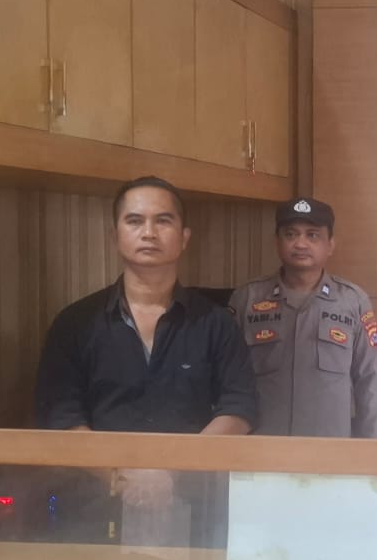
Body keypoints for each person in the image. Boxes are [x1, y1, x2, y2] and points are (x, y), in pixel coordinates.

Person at [34, 176, 256, 532]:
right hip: (96, 510)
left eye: (163, 221)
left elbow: (240, 409)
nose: (149, 233)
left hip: (194, 507)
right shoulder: (75, 323)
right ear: (115, 236)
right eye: (135, 221)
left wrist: (171, 472)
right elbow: (61, 416)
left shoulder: (215, 323)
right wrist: (120, 476)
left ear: (184, 237)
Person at [229, 197, 377, 439]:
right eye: (290, 234)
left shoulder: (353, 302)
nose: (300, 244)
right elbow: (228, 381)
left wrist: (372, 452)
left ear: (330, 245)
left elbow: (371, 382)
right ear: (277, 241)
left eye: (312, 235)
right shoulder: (247, 299)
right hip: (262, 450)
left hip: (329, 451)